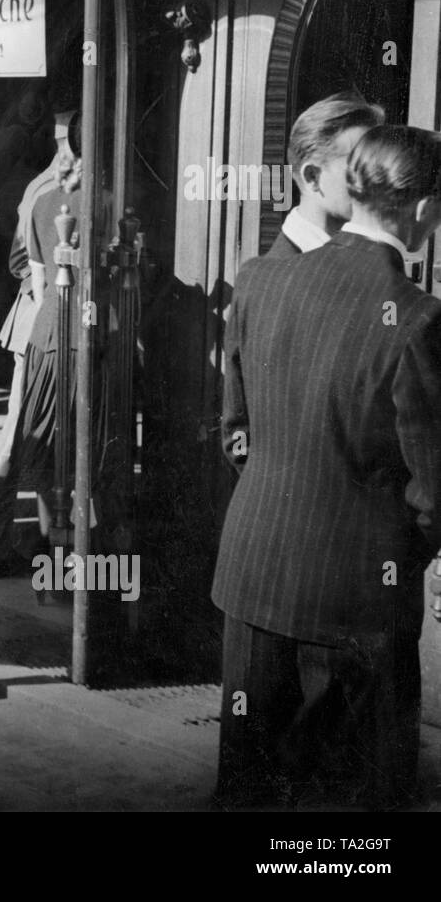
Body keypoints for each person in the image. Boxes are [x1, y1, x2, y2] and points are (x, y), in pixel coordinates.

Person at [213, 123, 441, 808]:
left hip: (253, 580)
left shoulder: (260, 280)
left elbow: (237, 430)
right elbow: (433, 491)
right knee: (353, 814)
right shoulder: (418, 319)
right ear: (424, 211)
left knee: (249, 794)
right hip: (359, 605)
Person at [0, 111, 78, 577]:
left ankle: (41, 541)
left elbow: (19, 258)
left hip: (37, 321)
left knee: (37, 432)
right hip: (45, 323)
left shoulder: (42, 184)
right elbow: (23, 260)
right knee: (24, 432)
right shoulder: (54, 189)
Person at [266, 92, 384, 256]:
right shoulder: (280, 272)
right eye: (360, 166)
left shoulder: (357, 253)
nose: (377, 180)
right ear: (312, 177)